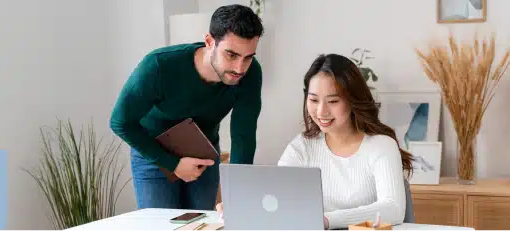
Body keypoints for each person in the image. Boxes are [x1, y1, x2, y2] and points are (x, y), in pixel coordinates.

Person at [216, 54, 414, 230]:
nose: (321, 112)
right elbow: (275, 195)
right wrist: (243, 206)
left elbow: (393, 208)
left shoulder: (381, 146)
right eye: (313, 100)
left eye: (333, 101)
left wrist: (327, 220)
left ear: (353, 100)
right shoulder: (302, 145)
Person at [109, 4, 264, 210]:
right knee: (161, 226)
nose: (239, 68)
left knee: (203, 222)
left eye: (248, 57)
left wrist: (236, 192)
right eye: (231, 55)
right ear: (209, 42)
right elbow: (120, 122)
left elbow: (243, 137)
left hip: (204, 155)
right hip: (154, 154)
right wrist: (172, 163)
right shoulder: (158, 66)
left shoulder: (250, 73)